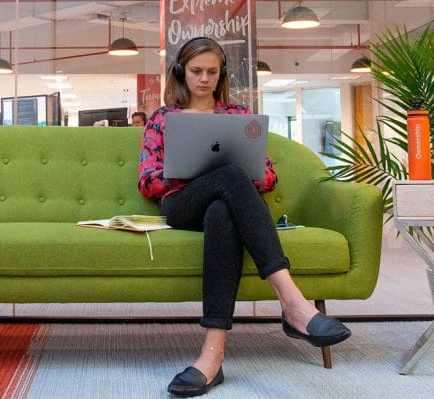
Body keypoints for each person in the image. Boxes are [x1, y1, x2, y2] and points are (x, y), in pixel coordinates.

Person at [138, 37, 351, 397]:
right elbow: (147, 181)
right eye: (195, 71)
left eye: (211, 72)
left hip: (222, 206)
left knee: (224, 209)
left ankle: (212, 356)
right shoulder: (163, 118)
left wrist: (240, 170)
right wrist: (190, 171)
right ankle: (293, 304)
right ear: (180, 72)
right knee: (229, 176)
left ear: (220, 76)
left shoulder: (238, 117)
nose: (203, 79)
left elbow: (268, 176)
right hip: (181, 204)